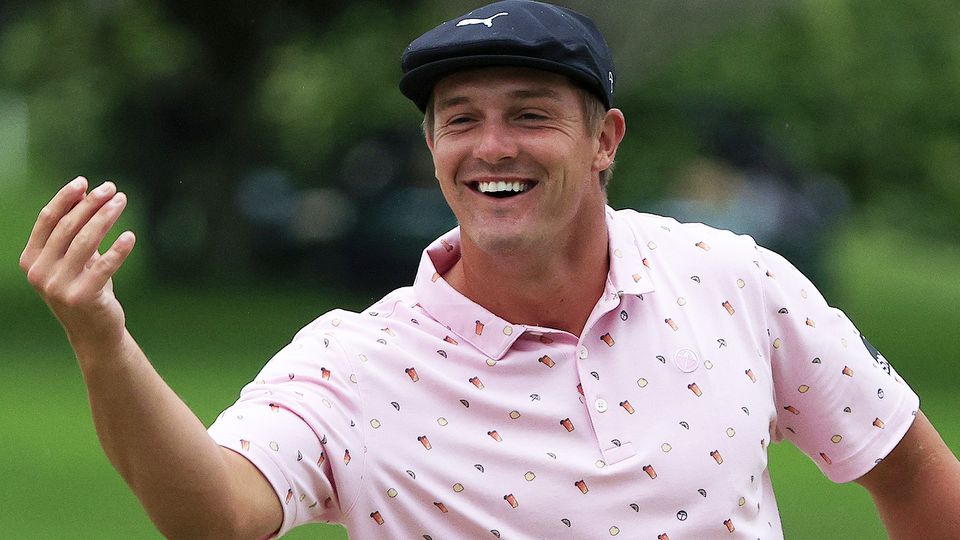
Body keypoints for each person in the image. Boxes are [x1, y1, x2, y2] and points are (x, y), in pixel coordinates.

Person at [18, 1, 960, 538]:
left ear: (605, 139)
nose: (492, 146)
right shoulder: (355, 365)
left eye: (530, 114)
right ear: (432, 148)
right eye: (460, 120)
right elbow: (215, 516)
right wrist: (103, 345)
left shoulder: (734, 282)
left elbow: (916, 475)